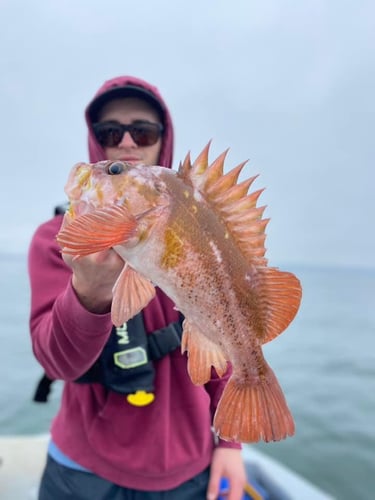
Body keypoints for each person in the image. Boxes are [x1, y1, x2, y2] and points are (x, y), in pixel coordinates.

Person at [28, 75, 247, 500]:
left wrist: (230, 443)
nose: (127, 142)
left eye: (143, 131)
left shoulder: (204, 231)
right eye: (111, 132)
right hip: (83, 470)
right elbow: (57, 363)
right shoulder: (57, 238)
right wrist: (89, 295)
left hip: (190, 467)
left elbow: (224, 334)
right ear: (96, 142)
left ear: (163, 140)